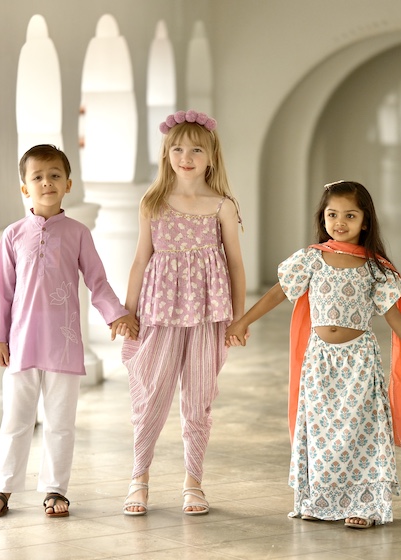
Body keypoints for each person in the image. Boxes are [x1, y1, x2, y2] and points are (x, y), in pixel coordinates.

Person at [225, 180, 401, 529]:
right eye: (332, 214)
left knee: (360, 431)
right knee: (321, 431)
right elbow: (279, 294)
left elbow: (393, 314)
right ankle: (318, 501)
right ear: (322, 218)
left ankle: (364, 505)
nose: (340, 222)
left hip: (358, 361)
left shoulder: (374, 267)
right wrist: (242, 321)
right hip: (320, 360)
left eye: (350, 215)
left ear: (365, 221)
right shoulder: (311, 257)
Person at [0, 144, 139, 518]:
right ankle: (2, 489)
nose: (46, 183)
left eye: (54, 176)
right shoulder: (13, 235)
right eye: (37, 177)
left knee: (60, 423)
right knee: (15, 421)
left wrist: (116, 315)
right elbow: (1, 289)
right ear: (25, 188)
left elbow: (97, 281)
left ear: (68, 183)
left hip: (64, 346)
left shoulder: (78, 233)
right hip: (20, 344)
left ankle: (55, 489)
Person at [121, 110, 246, 516]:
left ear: (211, 156)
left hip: (208, 315)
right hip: (160, 312)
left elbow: (235, 265)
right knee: (152, 395)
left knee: (198, 400)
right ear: (166, 153)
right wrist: (128, 313)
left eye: (196, 149)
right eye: (177, 148)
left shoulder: (222, 206)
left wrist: (239, 319)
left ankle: (194, 481)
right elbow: (141, 260)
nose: (186, 156)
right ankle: (139, 478)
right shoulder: (153, 201)